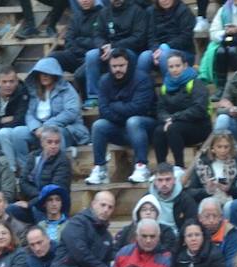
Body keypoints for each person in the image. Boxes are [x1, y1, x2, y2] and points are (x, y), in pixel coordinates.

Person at [1, 57, 87, 177]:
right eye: (41, 74)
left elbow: (71, 112)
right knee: (17, 133)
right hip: (39, 130)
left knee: (54, 133)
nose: (44, 76)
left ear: (55, 74)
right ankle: (26, 171)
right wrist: (36, 128)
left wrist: (47, 126)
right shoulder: (34, 91)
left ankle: (57, 171)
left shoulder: (67, 90)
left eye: (47, 73)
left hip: (66, 129)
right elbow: (29, 113)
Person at [87, 51, 157, 186]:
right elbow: (103, 110)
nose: (117, 69)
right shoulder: (105, 81)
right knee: (99, 125)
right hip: (120, 128)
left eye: (121, 65)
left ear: (128, 64)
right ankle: (100, 168)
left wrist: (115, 105)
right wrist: (122, 110)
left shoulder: (142, 79)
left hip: (146, 128)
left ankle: (142, 166)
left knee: (134, 121)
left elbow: (139, 109)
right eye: (114, 66)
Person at [154, 51, 212, 169]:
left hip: (199, 126)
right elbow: (160, 109)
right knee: (158, 131)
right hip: (174, 124)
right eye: (171, 67)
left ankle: (179, 167)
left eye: (177, 66)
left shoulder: (195, 82)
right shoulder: (165, 86)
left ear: (185, 66)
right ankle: (162, 168)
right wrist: (166, 118)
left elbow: (199, 109)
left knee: (173, 129)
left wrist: (174, 118)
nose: (174, 69)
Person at [51, 0, 110, 106]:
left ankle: (88, 100)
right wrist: (83, 47)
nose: (85, 1)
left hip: (95, 58)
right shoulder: (75, 17)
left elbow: (101, 40)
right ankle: (51, 99)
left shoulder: (104, 14)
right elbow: (69, 41)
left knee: (80, 73)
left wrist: (80, 41)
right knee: (52, 59)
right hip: (76, 55)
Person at [184, 130, 237, 212]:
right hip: (207, 201)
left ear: (231, 148)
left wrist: (229, 189)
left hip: (230, 201)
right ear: (212, 148)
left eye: (226, 147)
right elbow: (191, 191)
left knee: (229, 207)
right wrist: (207, 191)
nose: (223, 150)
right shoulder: (202, 162)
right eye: (219, 147)